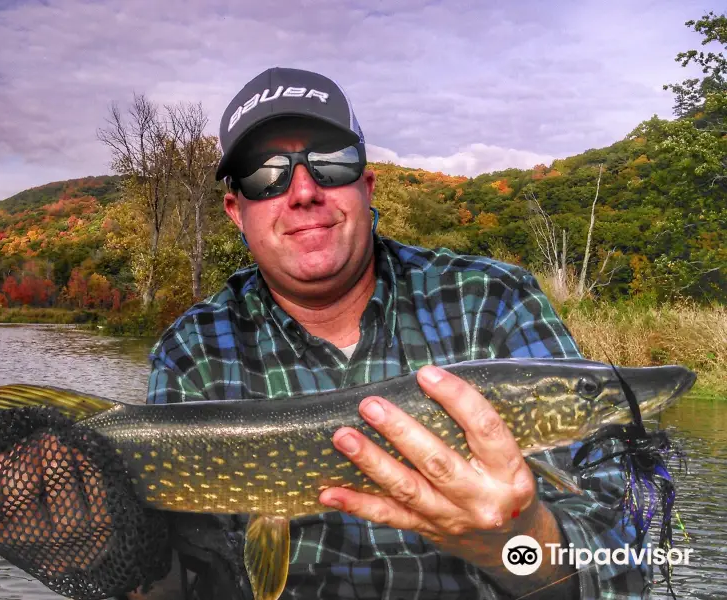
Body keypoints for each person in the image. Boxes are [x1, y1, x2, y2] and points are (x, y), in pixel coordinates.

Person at [142, 67, 648, 599]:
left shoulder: (491, 301)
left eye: (330, 161)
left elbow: (622, 556)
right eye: (265, 174)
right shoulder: (192, 351)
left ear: (366, 185)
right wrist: (98, 543)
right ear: (235, 213)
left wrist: (515, 544)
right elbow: (170, 577)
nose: (304, 191)